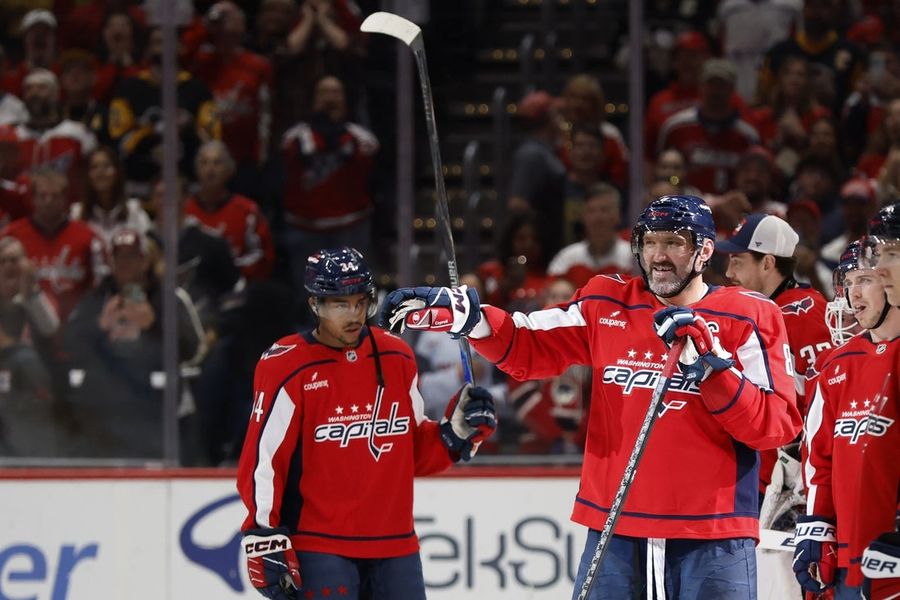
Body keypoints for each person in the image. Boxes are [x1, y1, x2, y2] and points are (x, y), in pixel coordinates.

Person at [382, 195, 802, 599]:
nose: (659, 255)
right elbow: (527, 343)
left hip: (712, 534)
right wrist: (469, 318)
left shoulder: (748, 314)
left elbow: (777, 427)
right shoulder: (607, 302)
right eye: (650, 242)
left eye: (674, 242)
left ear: (705, 251)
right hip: (615, 529)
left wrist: (714, 370)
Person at [236, 247, 497, 600]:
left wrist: (454, 433)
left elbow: (411, 450)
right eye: (340, 304)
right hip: (320, 546)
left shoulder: (396, 355)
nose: (354, 314)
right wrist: (263, 534)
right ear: (315, 304)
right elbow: (263, 461)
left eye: (361, 302)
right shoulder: (287, 365)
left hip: (396, 545)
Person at [797, 236, 900, 597]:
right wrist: (816, 528)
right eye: (849, 282)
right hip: (848, 560)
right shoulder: (836, 365)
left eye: (865, 280)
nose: (854, 294)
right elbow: (818, 460)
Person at [716, 213, 831, 414]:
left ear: (767, 263)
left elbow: (826, 397)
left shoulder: (803, 314)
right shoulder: (771, 308)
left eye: (737, 261)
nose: (729, 273)